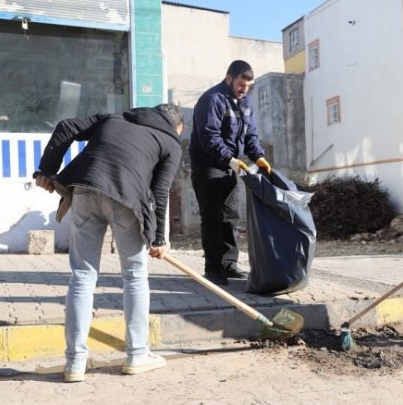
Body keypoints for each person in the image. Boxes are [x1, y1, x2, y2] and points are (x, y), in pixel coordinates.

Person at [33, 104, 184, 382]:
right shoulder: (171, 142)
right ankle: (137, 354)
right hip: (126, 198)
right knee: (135, 275)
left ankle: (75, 362)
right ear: (178, 127)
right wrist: (159, 239)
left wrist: (46, 169)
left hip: (85, 187)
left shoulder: (115, 117)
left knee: (81, 276)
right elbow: (160, 190)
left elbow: (66, 125)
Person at [189, 60, 272, 286]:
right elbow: (209, 137)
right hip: (208, 166)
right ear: (228, 78)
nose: (244, 90)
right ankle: (213, 269)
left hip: (230, 166)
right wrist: (230, 159)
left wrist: (258, 156)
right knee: (213, 218)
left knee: (230, 216)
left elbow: (250, 135)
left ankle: (229, 264)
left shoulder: (246, 103)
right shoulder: (212, 100)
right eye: (241, 84)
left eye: (249, 86)